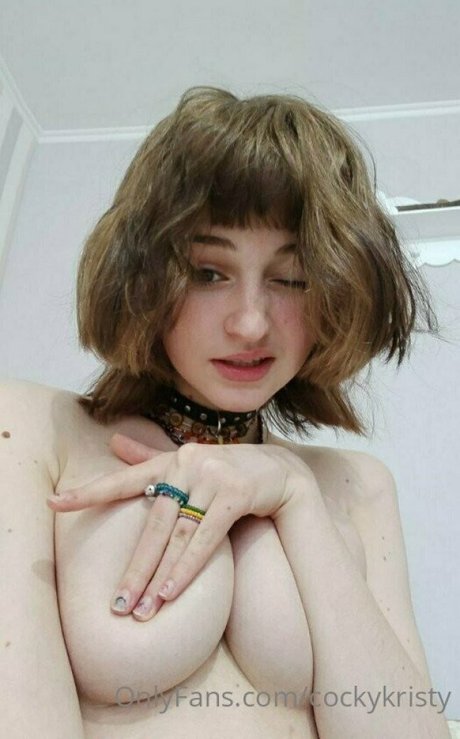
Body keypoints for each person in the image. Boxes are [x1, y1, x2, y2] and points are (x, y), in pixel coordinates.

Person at [1, 86, 451, 739]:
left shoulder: (358, 485)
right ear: (144, 276)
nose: (250, 324)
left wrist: (292, 489)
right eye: (209, 272)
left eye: (291, 277)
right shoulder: (29, 426)